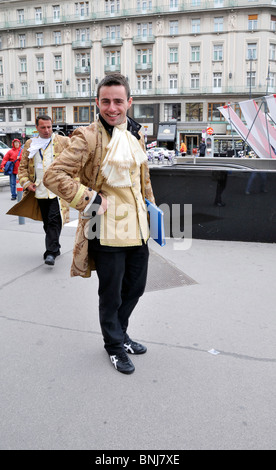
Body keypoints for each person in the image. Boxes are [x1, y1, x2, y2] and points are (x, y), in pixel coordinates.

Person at [43, 74, 155, 375]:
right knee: (112, 293)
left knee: (136, 288)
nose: (112, 107)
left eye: (119, 101)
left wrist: (151, 209)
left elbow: (141, 179)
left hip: (138, 228)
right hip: (106, 230)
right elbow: (53, 176)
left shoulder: (136, 134)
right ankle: (114, 346)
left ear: (129, 102)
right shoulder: (87, 136)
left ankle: (122, 332)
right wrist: (89, 199)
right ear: (97, 102)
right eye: (105, 101)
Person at [16, 116, 70, 265]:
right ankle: (55, 246)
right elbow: (22, 167)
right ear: (37, 128)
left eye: (49, 127)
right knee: (47, 221)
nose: (47, 130)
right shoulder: (30, 143)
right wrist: (26, 183)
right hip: (39, 190)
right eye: (43, 127)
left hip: (57, 190)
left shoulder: (63, 141)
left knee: (54, 219)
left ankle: (50, 252)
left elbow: (75, 162)